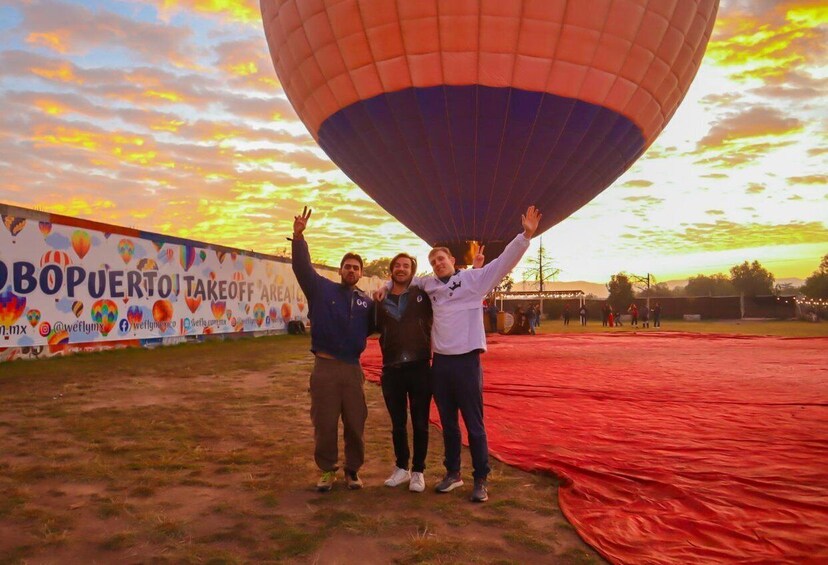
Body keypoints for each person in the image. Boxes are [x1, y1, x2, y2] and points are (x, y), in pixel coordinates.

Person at [377, 206, 541, 503]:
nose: (438, 263)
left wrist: (525, 235)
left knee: (474, 424)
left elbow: (503, 263)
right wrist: (384, 285)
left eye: (442, 259)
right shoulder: (428, 285)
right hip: (440, 364)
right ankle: (453, 473)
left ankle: (481, 478)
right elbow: (405, 280)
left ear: (453, 261)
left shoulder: (474, 281)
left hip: (466, 362)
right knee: (449, 424)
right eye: (433, 261)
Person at [291, 206, 374, 492]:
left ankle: (352, 471)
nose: (351, 270)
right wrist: (299, 238)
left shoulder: (367, 302)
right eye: (347, 266)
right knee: (324, 423)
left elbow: (383, 325)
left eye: (356, 267)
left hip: (352, 369)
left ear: (361, 274)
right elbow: (302, 268)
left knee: (355, 423)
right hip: (325, 368)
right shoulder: (321, 289)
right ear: (340, 270)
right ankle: (327, 470)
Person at [375, 253, 433, 493]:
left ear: (413, 270)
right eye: (397, 266)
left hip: (419, 366)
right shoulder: (381, 298)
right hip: (392, 369)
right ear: (391, 270)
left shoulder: (423, 295)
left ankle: (418, 471)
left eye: (406, 266)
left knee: (420, 422)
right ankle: (401, 468)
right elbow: (376, 327)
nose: (401, 269)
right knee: (398, 423)